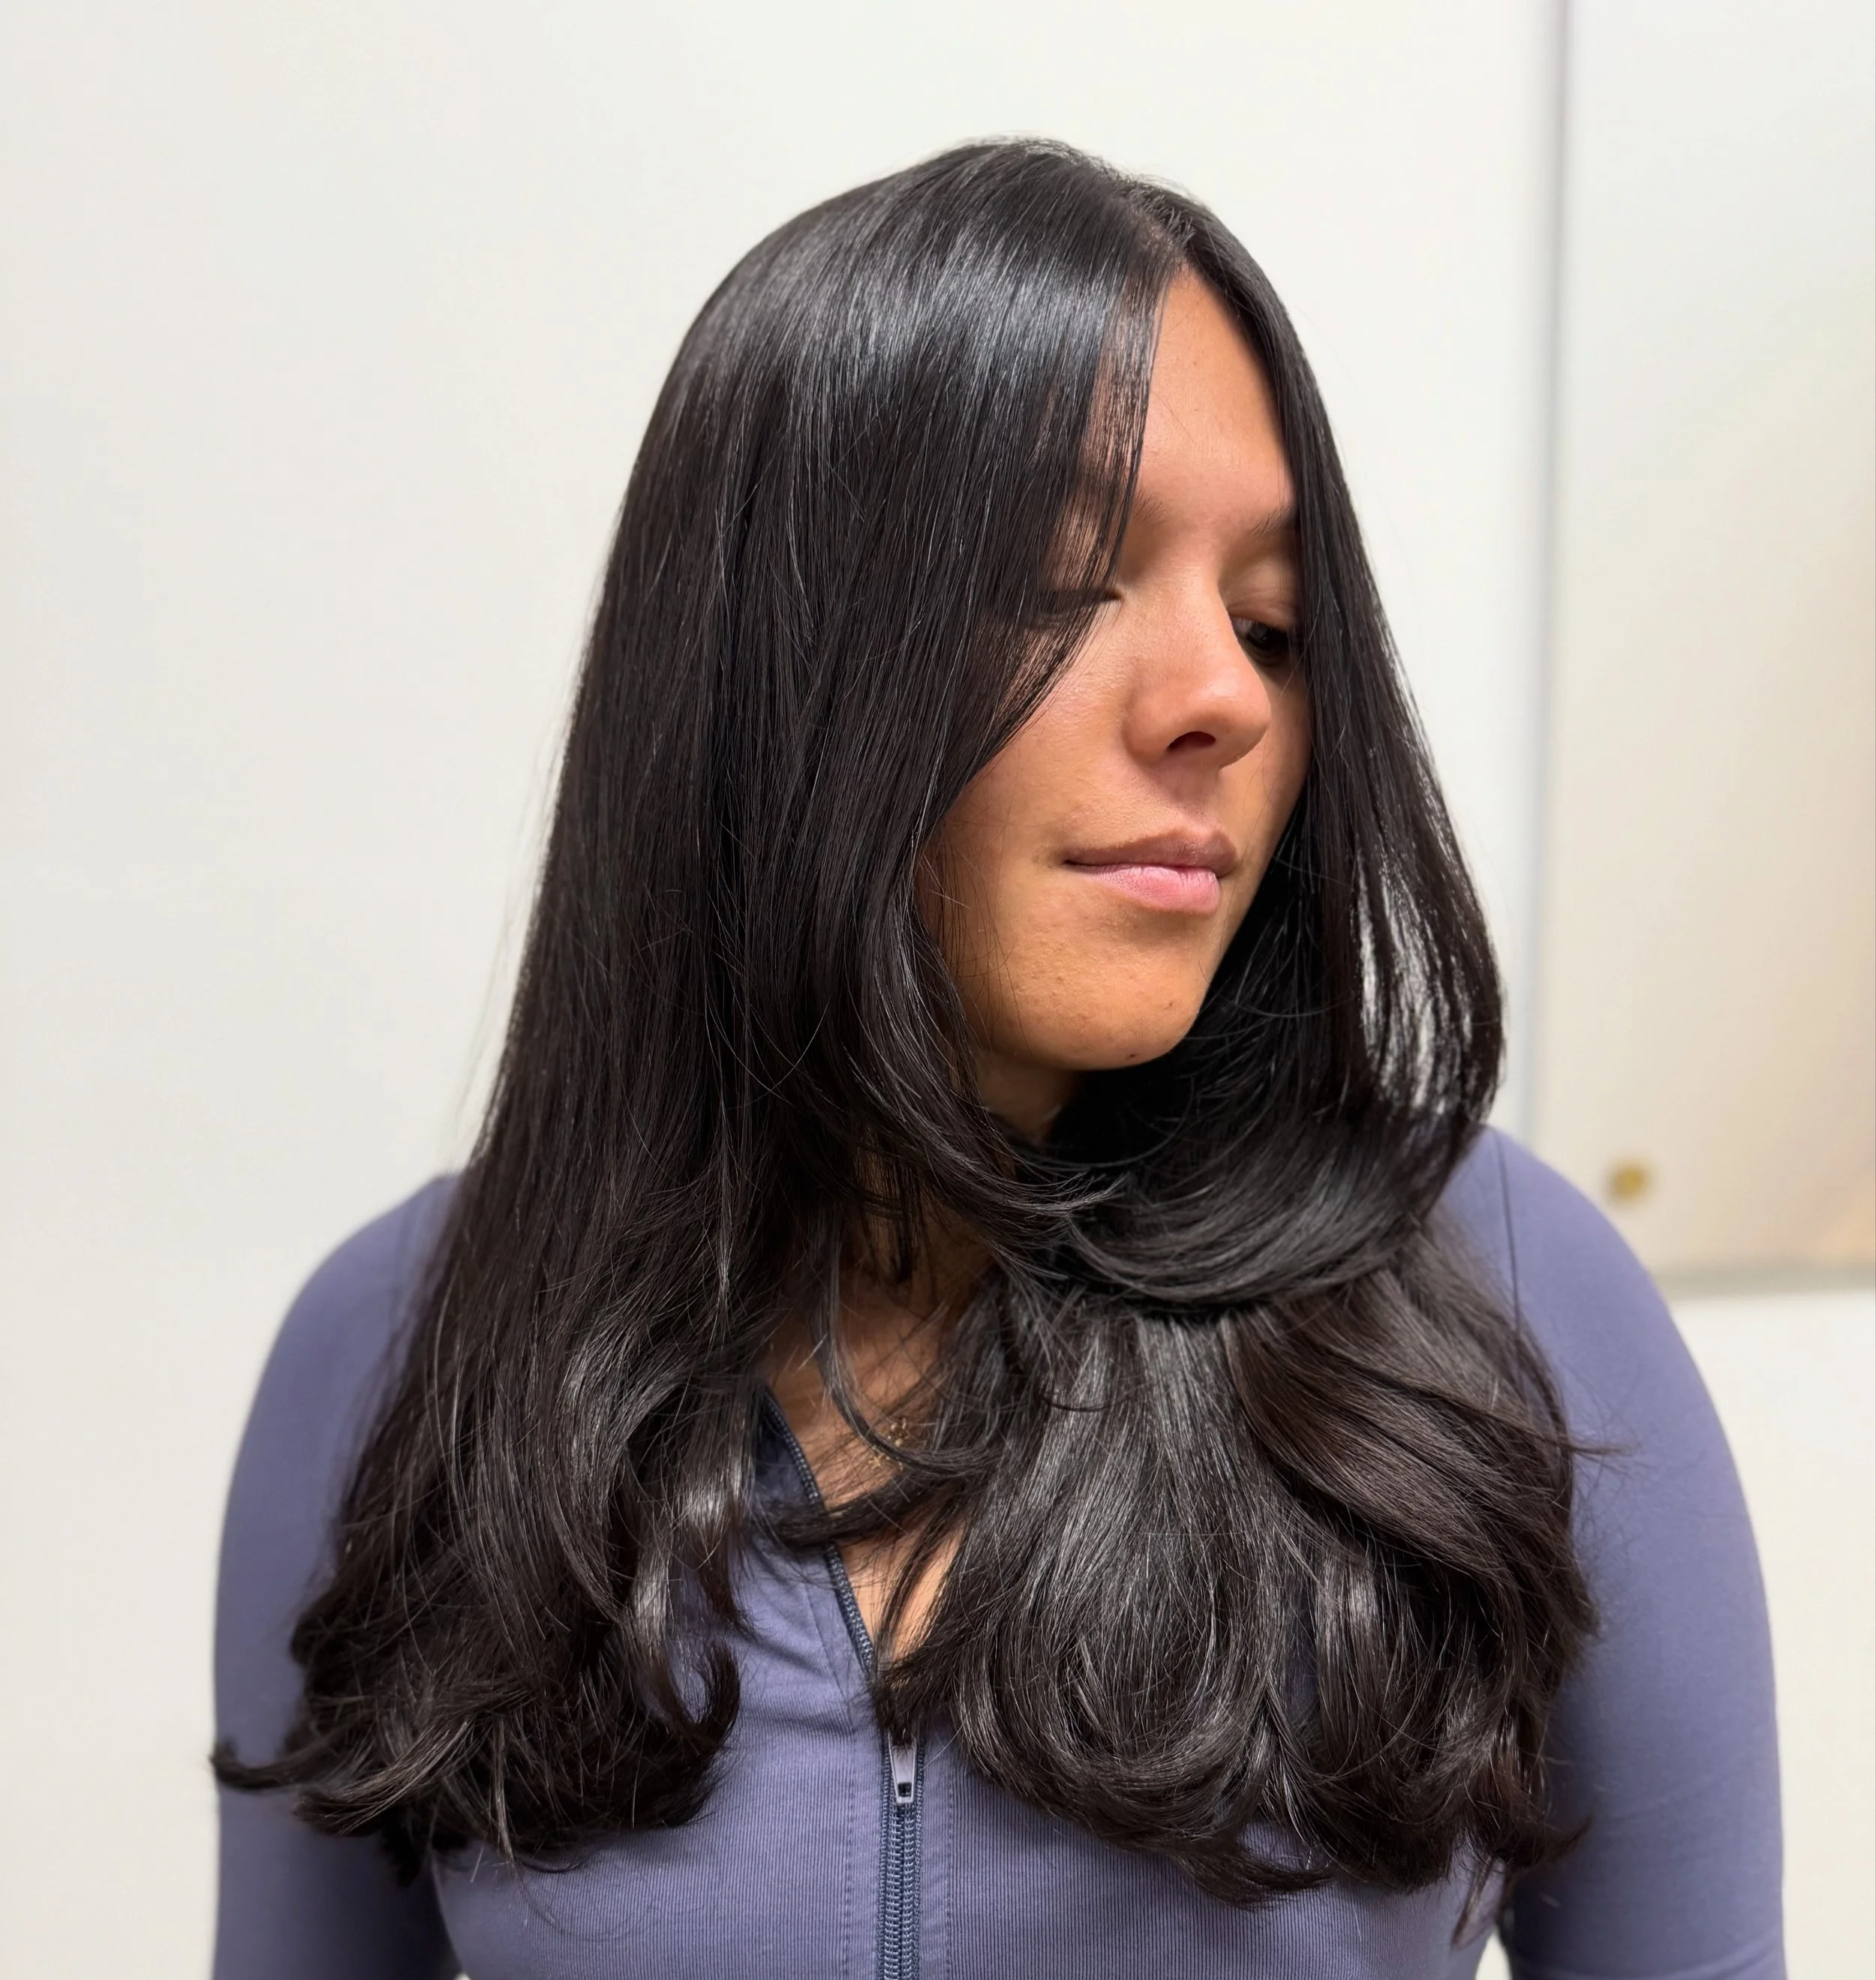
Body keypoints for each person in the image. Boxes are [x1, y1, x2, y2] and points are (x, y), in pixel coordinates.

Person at [212, 141, 1782, 1979]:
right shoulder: (399, 1348)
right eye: (1059, 581)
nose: (1224, 695)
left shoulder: (1501, 1298)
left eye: (1271, 621)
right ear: (775, 662)